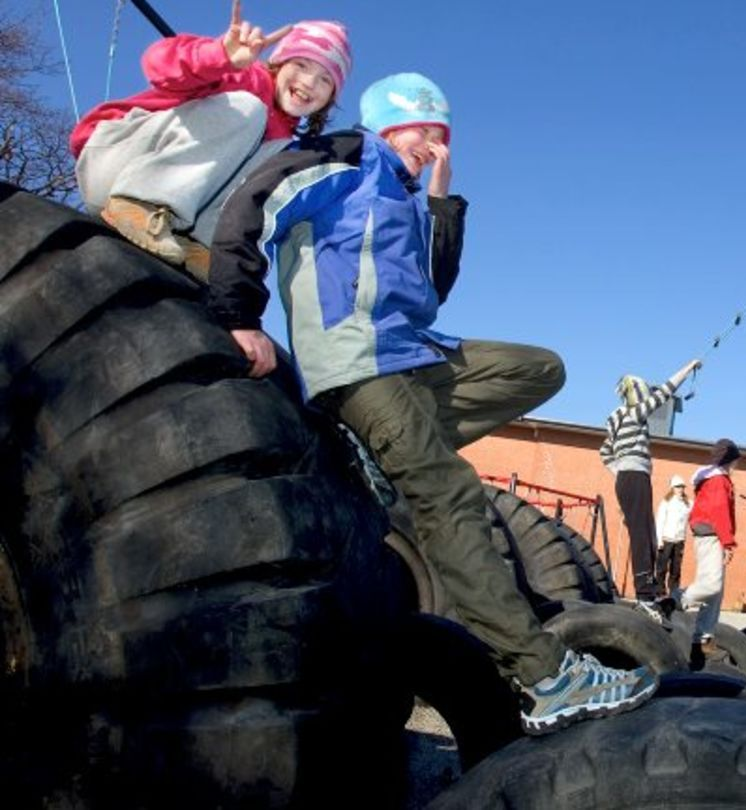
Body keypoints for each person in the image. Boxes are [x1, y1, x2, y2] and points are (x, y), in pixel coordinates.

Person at [204, 72, 654, 735]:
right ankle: (545, 677)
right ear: (391, 125)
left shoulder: (406, 194)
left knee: (539, 368)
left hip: (416, 355)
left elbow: (433, 289)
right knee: (450, 497)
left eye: (443, 137)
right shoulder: (345, 159)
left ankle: (380, 454)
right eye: (426, 133)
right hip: (359, 362)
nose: (434, 147)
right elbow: (253, 204)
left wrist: (440, 200)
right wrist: (237, 310)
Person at [71, 1, 350, 277]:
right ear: (278, 63)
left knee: (280, 162)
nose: (310, 82)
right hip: (114, 161)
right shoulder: (244, 77)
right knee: (248, 109)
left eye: (326, 79)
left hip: (175, 225)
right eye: (301, 64)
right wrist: (219, 56)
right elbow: (157, 62)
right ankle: (138, 202)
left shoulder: (283, 143)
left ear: (330, 99)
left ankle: (200, 245)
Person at [600, 361, 701, 621]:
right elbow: (666, 391)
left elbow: (604, 452)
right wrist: (689, 367)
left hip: (626, 478)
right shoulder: (634, 413)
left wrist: (619, 470)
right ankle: (645, 594)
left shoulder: (614, 418)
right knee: (643, 535)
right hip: (635, 476)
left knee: (645, 533)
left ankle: (651, 588)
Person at [677, 439, 741, 655]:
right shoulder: (718, 481)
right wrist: (728, 542)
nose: (736, 467)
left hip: (713, 535)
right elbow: (720, 512)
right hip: (711, 535)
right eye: (735, 462)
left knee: (716, 592)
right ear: (729, 460)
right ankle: (675, 599)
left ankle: (703, 637)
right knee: (711, 585)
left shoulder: (716, 479)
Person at [654, 474, 692, 596]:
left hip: (679, 541)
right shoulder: (666, 502)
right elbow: (660, 521)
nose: (680, 489)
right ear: (672, 488)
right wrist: (659, 540)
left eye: (682, 487)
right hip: (666, 540)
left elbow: (697, 513)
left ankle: (674, 594)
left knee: (676, 570)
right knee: (661, 568)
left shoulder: (688, 504)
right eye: (677, 487)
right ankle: (660, 592)